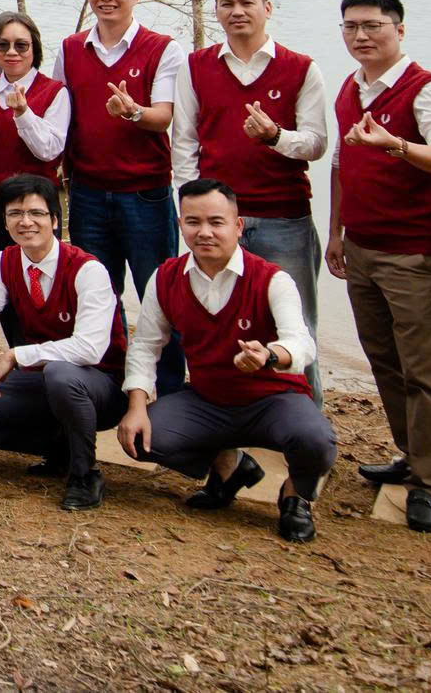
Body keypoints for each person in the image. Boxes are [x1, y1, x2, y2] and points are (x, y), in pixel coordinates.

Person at [116, 179, 331, 545]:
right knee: (140, 438)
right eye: (193, 222)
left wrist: (269, 355)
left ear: (238, 225)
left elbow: (302, 342)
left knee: (316, 441)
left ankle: (295, 495)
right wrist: (136, 406)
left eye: (216, 222)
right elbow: (146, 346)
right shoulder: (166, 277)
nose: (205, 232)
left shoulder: (272, 279)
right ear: (180, 224)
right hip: (209, 400)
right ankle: (230, 468)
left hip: (274, 400)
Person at [325, 0, 431, 534]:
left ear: (399, 30)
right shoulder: (351, 87)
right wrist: (336, 232)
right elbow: (341, 164)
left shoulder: (427, 90)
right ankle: (412, 454)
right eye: (351, 26)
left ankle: (428, 482)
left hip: (414, 251)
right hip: (361, 246)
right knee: (384, 358)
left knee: (425, 368)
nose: (361, 36)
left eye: (373, 26)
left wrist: (396, 145)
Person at [171, 0, 329, 395]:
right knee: (221, 322)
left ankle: (305, 420)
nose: (237, 11)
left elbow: (316, 143)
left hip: (283, 217)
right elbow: (184, 141)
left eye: (247, 3)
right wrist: (190, 209)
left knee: (296, 326)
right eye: (227, 4)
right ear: (216, 10)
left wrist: (276, 136)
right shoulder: (197, 66)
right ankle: (231, 417)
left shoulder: (300, 68)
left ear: (267, 8)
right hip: (217, 221)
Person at [0, 175, 126, 511]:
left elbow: (90, 349)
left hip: (99, 385)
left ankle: (84, 473)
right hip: (42, 378)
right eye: (15, 214)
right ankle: (59, 447)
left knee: (61, 375)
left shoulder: (88, 270)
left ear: (54, 220)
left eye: (36, 213)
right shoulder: (5, 261)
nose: (25, 222)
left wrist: (16, 355)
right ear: (5, 222)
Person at [57, 0, 180, 306]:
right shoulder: (70, 48)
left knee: (159, 294)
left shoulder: (162, 48)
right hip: (87, 192)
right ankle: (110, 346)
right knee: (97, 296)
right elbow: (60, 113)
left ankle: (165, 348)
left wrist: (132, 111)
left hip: (145, 192)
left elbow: (163, 116)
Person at [0, 11, 68, 207]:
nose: (11, 52)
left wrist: (23, 113)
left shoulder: (54, 91)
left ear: (34, 47)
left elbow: (48, 151)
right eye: (2, 45)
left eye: (21, 45)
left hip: (36, 202)